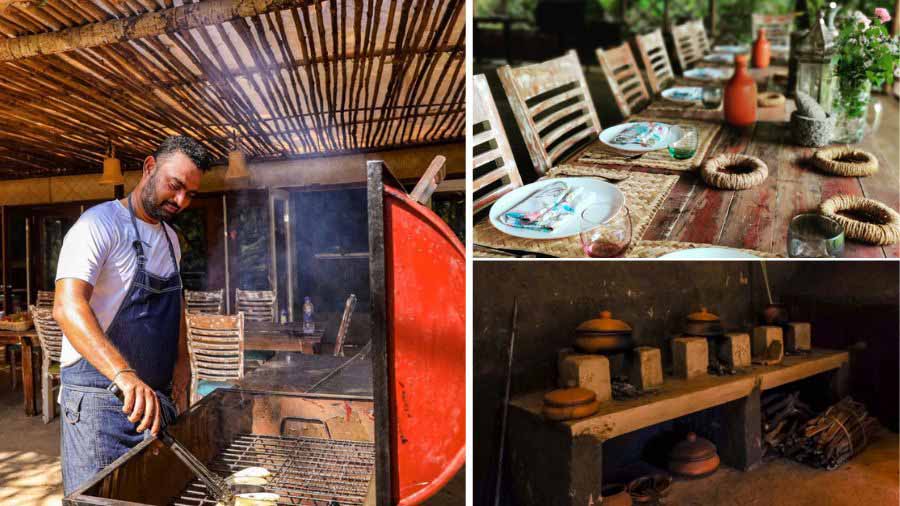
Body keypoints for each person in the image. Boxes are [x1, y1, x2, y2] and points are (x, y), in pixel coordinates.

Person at [53, 135, 210, 494]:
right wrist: (124, 374)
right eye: (175, 186)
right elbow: (67, 306)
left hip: (154, 401)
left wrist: (182, 364)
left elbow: (175, 303)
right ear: (149, 167)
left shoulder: (171, 240)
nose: (181, 200)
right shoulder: (98, 225)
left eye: (191, 194)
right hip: (99, 403)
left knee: (148, 496)